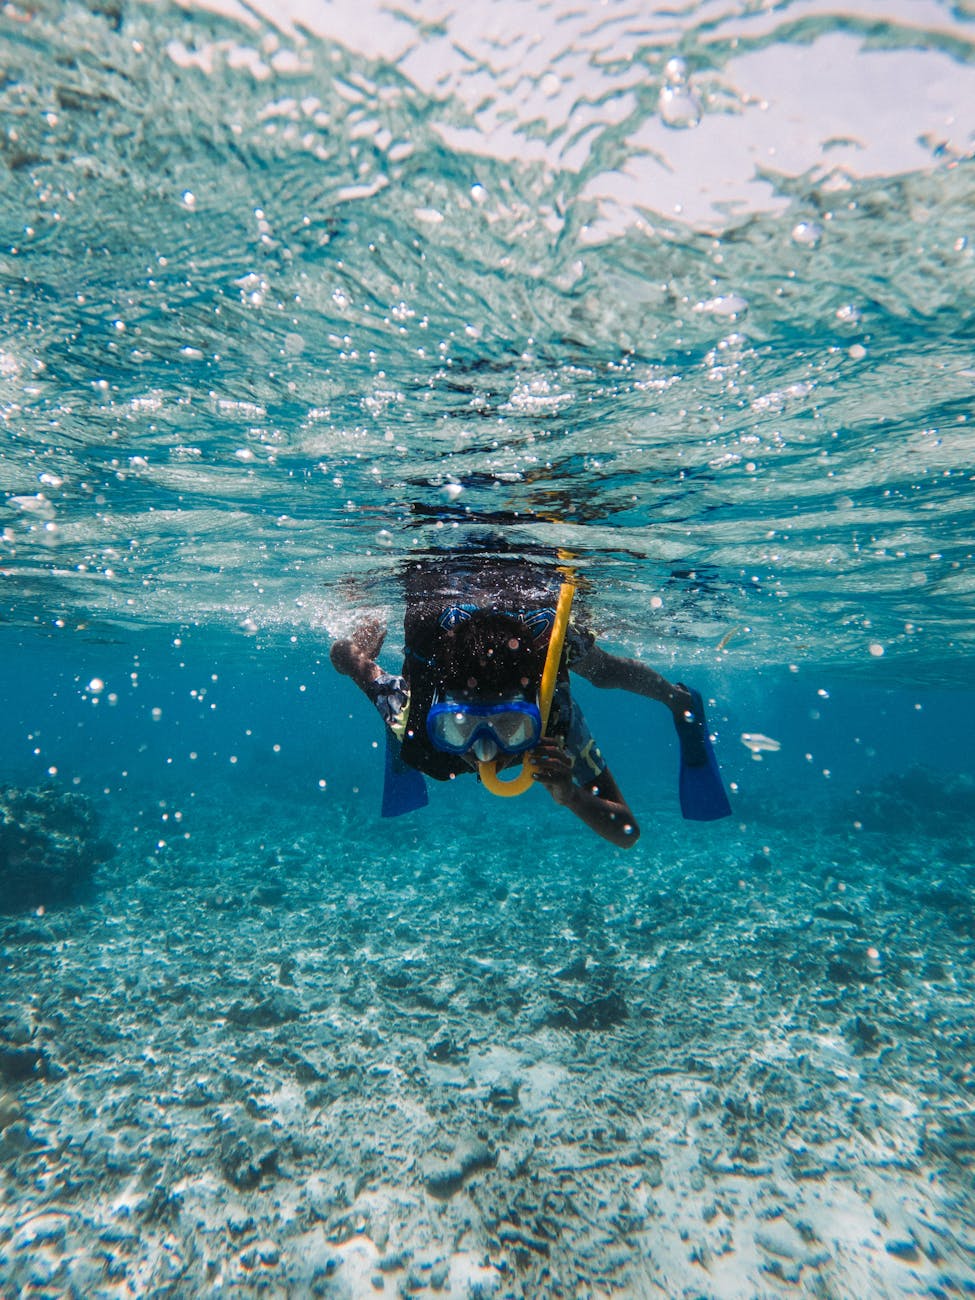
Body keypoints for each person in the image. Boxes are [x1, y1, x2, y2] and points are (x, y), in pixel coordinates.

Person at [329, 556, 730, 847]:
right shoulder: (426, 725)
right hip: (441, 662)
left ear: (531, 713)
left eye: (508, 726)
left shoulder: (550, 713)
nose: (486, 752)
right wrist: (359, 651)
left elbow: (627, 832)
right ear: (441, 715)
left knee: (602, 670)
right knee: (363, 672)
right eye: (461, 727)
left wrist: (573, 793)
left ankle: (678, 701)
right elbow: (351, 662)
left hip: (534, 637)